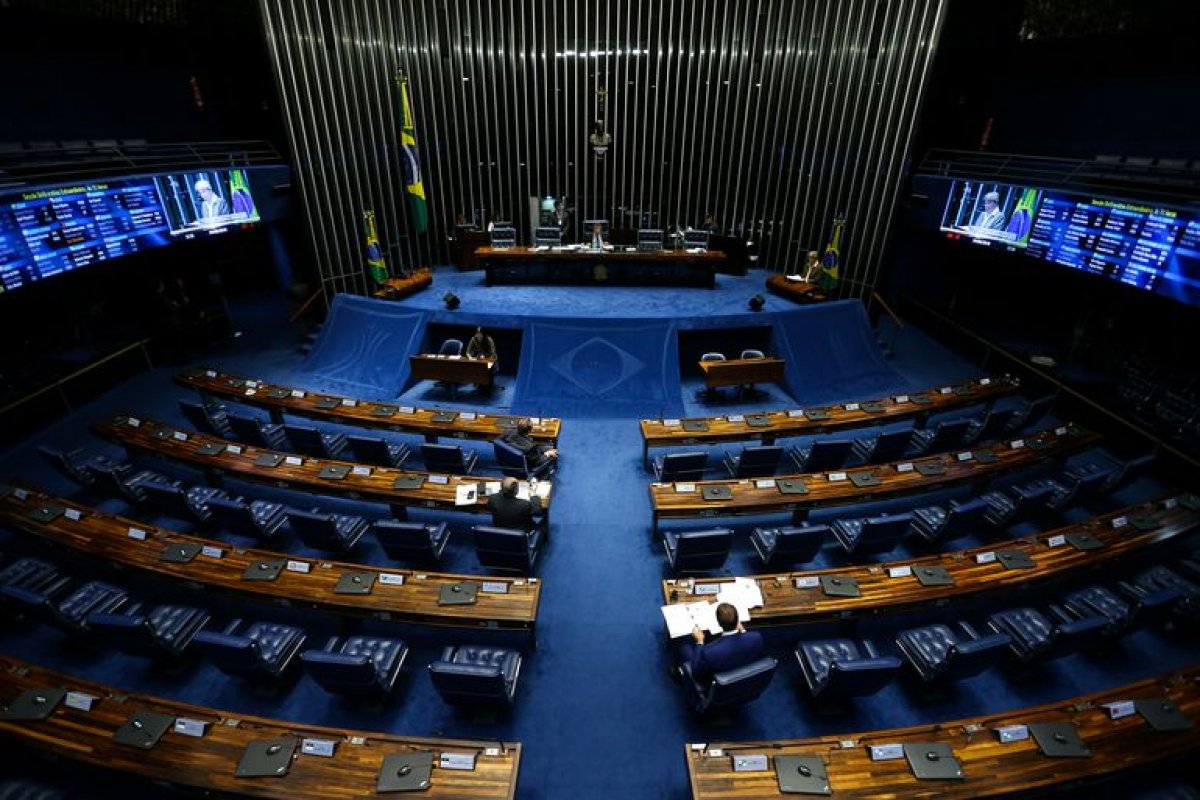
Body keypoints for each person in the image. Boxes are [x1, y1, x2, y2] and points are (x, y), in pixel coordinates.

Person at [675, 602, 765, 685]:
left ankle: (681, 671)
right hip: (744, 676)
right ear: (737, 621)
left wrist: (700, 642)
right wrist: (743, 631)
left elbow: (696, 672)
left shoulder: (709, 652)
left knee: (684, 645)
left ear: (719, 623)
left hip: (716, 683)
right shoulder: (757, 637)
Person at [465, 326, 498, 392]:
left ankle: (487, 385)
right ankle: (479, 383)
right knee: (474, 367)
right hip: (478, 358)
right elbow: (467, 352)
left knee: (487, 369)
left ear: (483, 334)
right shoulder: (473, 339)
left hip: (489, 358)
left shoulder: (489, 339)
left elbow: (493, 352)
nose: (478, 335)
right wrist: (470, 357)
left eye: (480, 333)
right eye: (477, 333)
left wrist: (489, 361)